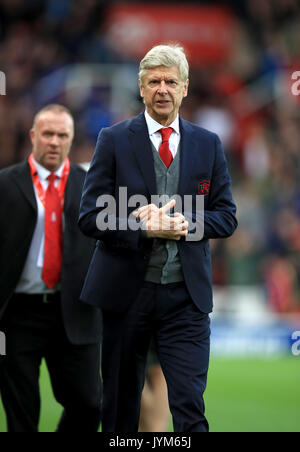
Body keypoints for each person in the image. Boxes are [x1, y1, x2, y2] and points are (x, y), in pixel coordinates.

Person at [79, 44, 237, 432]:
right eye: (154, 81)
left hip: (186, 298)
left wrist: (185, 223)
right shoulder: (113, 139)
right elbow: (90, 216)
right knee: (119, 410)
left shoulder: (208, 143)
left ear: (185, 87)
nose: (162, 89)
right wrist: (143, 227)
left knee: (189, 408)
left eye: (170, 81)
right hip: (126, 295)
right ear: (141, 87)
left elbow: (226, 218)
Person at [0, 104, 102, 432]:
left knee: (89, 404)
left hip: (74, 311)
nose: (54, 141)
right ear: (33, 136)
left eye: (62, 135)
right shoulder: (5, 184)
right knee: (21, 416)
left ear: (72, 140)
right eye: (48, 134)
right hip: (16, 314)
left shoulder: (93, 188)